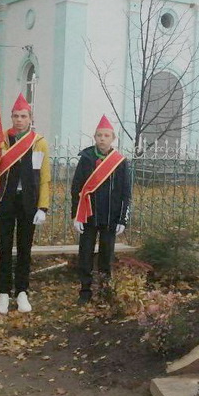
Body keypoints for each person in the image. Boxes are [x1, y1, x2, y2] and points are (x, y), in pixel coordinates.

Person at [0, 94, 51, 314]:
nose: (19, 119)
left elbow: (45, 178)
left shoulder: (39, 142)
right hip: (5, 201)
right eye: (15, 116)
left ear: (30, 118)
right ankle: (3, 292)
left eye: (23, 116)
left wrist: (43, 207)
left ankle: (22, 291)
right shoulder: (0, 141)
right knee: (4, 247)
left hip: (28, 203)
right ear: (11, 118)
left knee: (24, 249)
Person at [70, 115, 132, 304]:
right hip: (88, 215)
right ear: (94, 137)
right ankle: (85, 291)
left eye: (106, 135)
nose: (102, 139)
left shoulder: (120, 162)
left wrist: (122, 219)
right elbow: (76, 188)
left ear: (113, 138)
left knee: (107, 255)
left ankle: (105, 289)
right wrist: (76, 215)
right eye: (99, 135)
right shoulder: (86, 159)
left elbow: (125, 192)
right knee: (85, 254)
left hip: (110, 217)